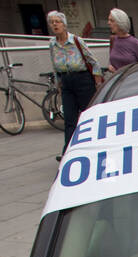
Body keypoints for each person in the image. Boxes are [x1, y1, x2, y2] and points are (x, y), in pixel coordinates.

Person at [48, 10, 104, 159]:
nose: (55, 25)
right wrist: (59, 84)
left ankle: (95, 147)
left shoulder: (76, 41)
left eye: (57, 22)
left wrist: (97, 82)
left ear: (64, 24)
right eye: (52, 22)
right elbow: (54, 65)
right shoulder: (52, 44)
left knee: (88, 116)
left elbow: (93, 62)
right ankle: (68, 152)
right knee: (69, 119)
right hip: (66, 81)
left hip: (82, 79)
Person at [106, 9, 138, 73]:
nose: (108, 23)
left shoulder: (134, 42)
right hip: (118, 78)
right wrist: (110, 67)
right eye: (108, 20)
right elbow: (112, 61)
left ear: (120, 22)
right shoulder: (113, 39)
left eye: (112, 21)